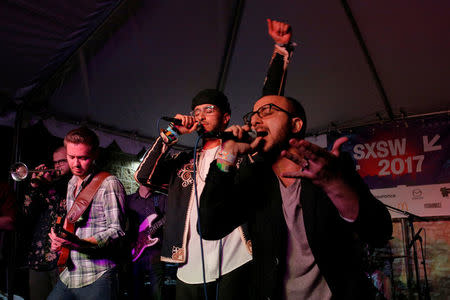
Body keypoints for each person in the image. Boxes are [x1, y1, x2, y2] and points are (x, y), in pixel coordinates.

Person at [134, 19, 295, 300]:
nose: (200, 115)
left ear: (225, 117)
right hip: (189, 264)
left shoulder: (241, 148)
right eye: (196, 111)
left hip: (237, 258)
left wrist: (281, 51)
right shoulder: (185, 159)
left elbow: (270, 105)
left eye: (208, 109)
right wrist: (170, 136)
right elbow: (144, 178)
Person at [198, 95, 393, 300]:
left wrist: (335, 185)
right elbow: (210, 227)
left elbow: (379, 232)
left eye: (267, 111)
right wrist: (226, 156)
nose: (254, 121)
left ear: (295, 124)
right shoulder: (254, 177)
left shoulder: (330, 167)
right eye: (253, 115)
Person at [47, 127, 126, 300]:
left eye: (83, 158)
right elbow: (72, 225)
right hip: (70, 273)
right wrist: (60, 241)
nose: (75, 164)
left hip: (98, 274)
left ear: (95, 154)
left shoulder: (109, 184)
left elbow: (117, 231)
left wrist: (81, 242)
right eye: (71, 157)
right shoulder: (71, 183)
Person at [22, 146, 71, 300]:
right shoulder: (44, 187)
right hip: (38, 257)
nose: (57, 166)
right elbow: (25, 213)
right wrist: (34, 187)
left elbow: (63, 209)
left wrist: (49, 186)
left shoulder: (72, 185)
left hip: (62, 260)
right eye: (55, 162)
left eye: (61, 161)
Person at [125, 185, 167, 300]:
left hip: (155, 253)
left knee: (157, 292)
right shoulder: (128, 200)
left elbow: (172, 218)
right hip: (135, 253)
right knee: (135, 291)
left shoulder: (162, 199)